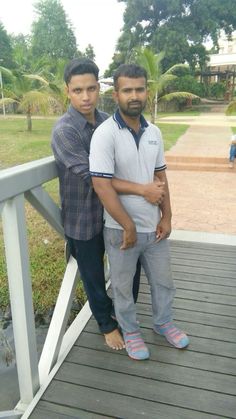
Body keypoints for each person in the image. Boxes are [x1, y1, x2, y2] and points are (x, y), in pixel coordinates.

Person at [51, 58, 165, 350]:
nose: (86, 96)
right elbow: (94, 178)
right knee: (91, 275)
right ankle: (106, 324)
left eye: (91, 88)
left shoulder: (107, 121)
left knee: (129, 268)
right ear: (67, 91)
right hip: (84, 217)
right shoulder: (65, 130)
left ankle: (122, 315)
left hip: (114, 214)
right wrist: (141, 189)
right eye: (78, 90)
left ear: (100, 89)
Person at [90, 63, 190, 360]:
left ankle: (163, 323)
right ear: (116, 93)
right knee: (122, 286)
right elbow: (101, 184)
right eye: (127, 90)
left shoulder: (154, 132)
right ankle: (131, 331)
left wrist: (168, 216)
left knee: (163, 282)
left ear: (147, 91)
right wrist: (128, 225)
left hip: (154, 228)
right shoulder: (105, 134)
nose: (134, 95)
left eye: (139, 89)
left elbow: (161, 177)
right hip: (121, 230)